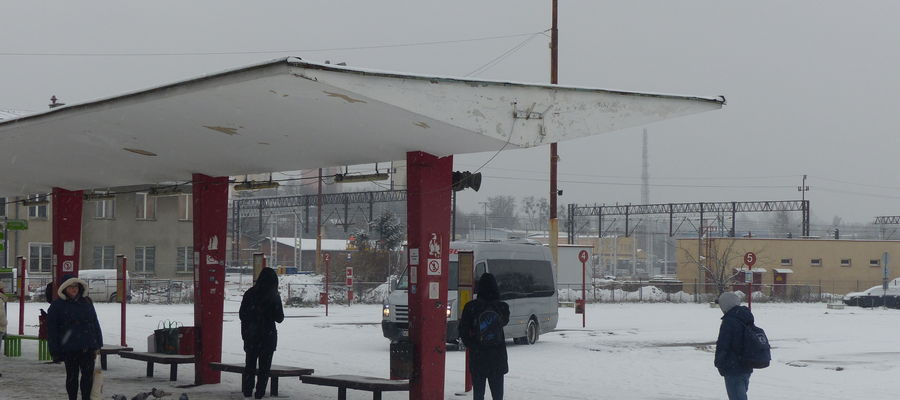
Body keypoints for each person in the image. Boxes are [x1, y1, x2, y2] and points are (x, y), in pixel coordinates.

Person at [47, 276, 103, 400]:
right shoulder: (57, 305)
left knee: (87, 377)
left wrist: (98, 342)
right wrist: (55, 351)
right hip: (70, 348)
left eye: (76, 286)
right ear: (64, 289)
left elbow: (94, 322)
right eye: (71, 287)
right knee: (72, 377)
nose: (74, 289)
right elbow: (52, 330)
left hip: (87, 346)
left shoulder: (87, 302)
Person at [458, 273, 510, 400]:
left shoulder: (471, 307)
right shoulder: (503, 307)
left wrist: (474, 345)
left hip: (478, 357)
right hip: (497, 357)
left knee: (479, 395)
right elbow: (504, 322)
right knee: (498, 396)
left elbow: (463, 331)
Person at [239, 267, 285, 399]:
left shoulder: (249, 293)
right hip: (267, 337)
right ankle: (260, 393)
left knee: (250, 365)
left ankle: (247, 392)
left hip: (251, 336)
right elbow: (280, 318)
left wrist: (249, 328)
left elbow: (242, 315)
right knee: (264, 368)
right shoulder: (273, 296)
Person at [715, 292, 754, 400]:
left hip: (733, 367)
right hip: (746, 365)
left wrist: (719, 364)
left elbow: (723, 345)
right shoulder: (746, 317)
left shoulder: (729, 322)